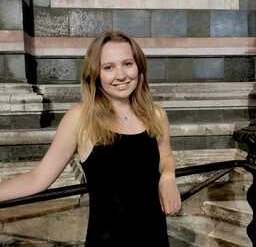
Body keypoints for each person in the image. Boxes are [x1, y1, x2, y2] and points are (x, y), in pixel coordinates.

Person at [0, 31, 181, 246]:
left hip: (155, 239)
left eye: (127, 63)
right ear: (95, 74)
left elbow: (166, 156)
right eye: (108, 67)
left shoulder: (156, 115)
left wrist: (168, 176)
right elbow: (37, 179)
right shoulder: (80, 118)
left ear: (139, 67)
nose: (121, 75)